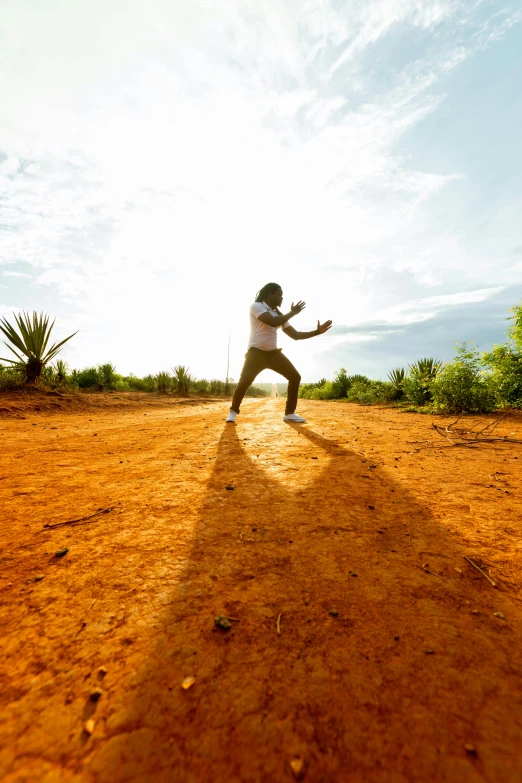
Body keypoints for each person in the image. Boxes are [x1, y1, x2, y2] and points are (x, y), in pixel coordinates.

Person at [226, 283, 332, 424]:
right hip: (256, 353)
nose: (282, 298)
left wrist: (317, 332)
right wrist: (292, 313)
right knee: (245, 381)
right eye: (279, 295)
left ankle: (289, 413)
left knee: (295, 377)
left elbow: (295, 335)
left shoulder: (279, 314)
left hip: (273, 354)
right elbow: (272, 321)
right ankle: (233, 411)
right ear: (270, 294)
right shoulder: (257, 306)